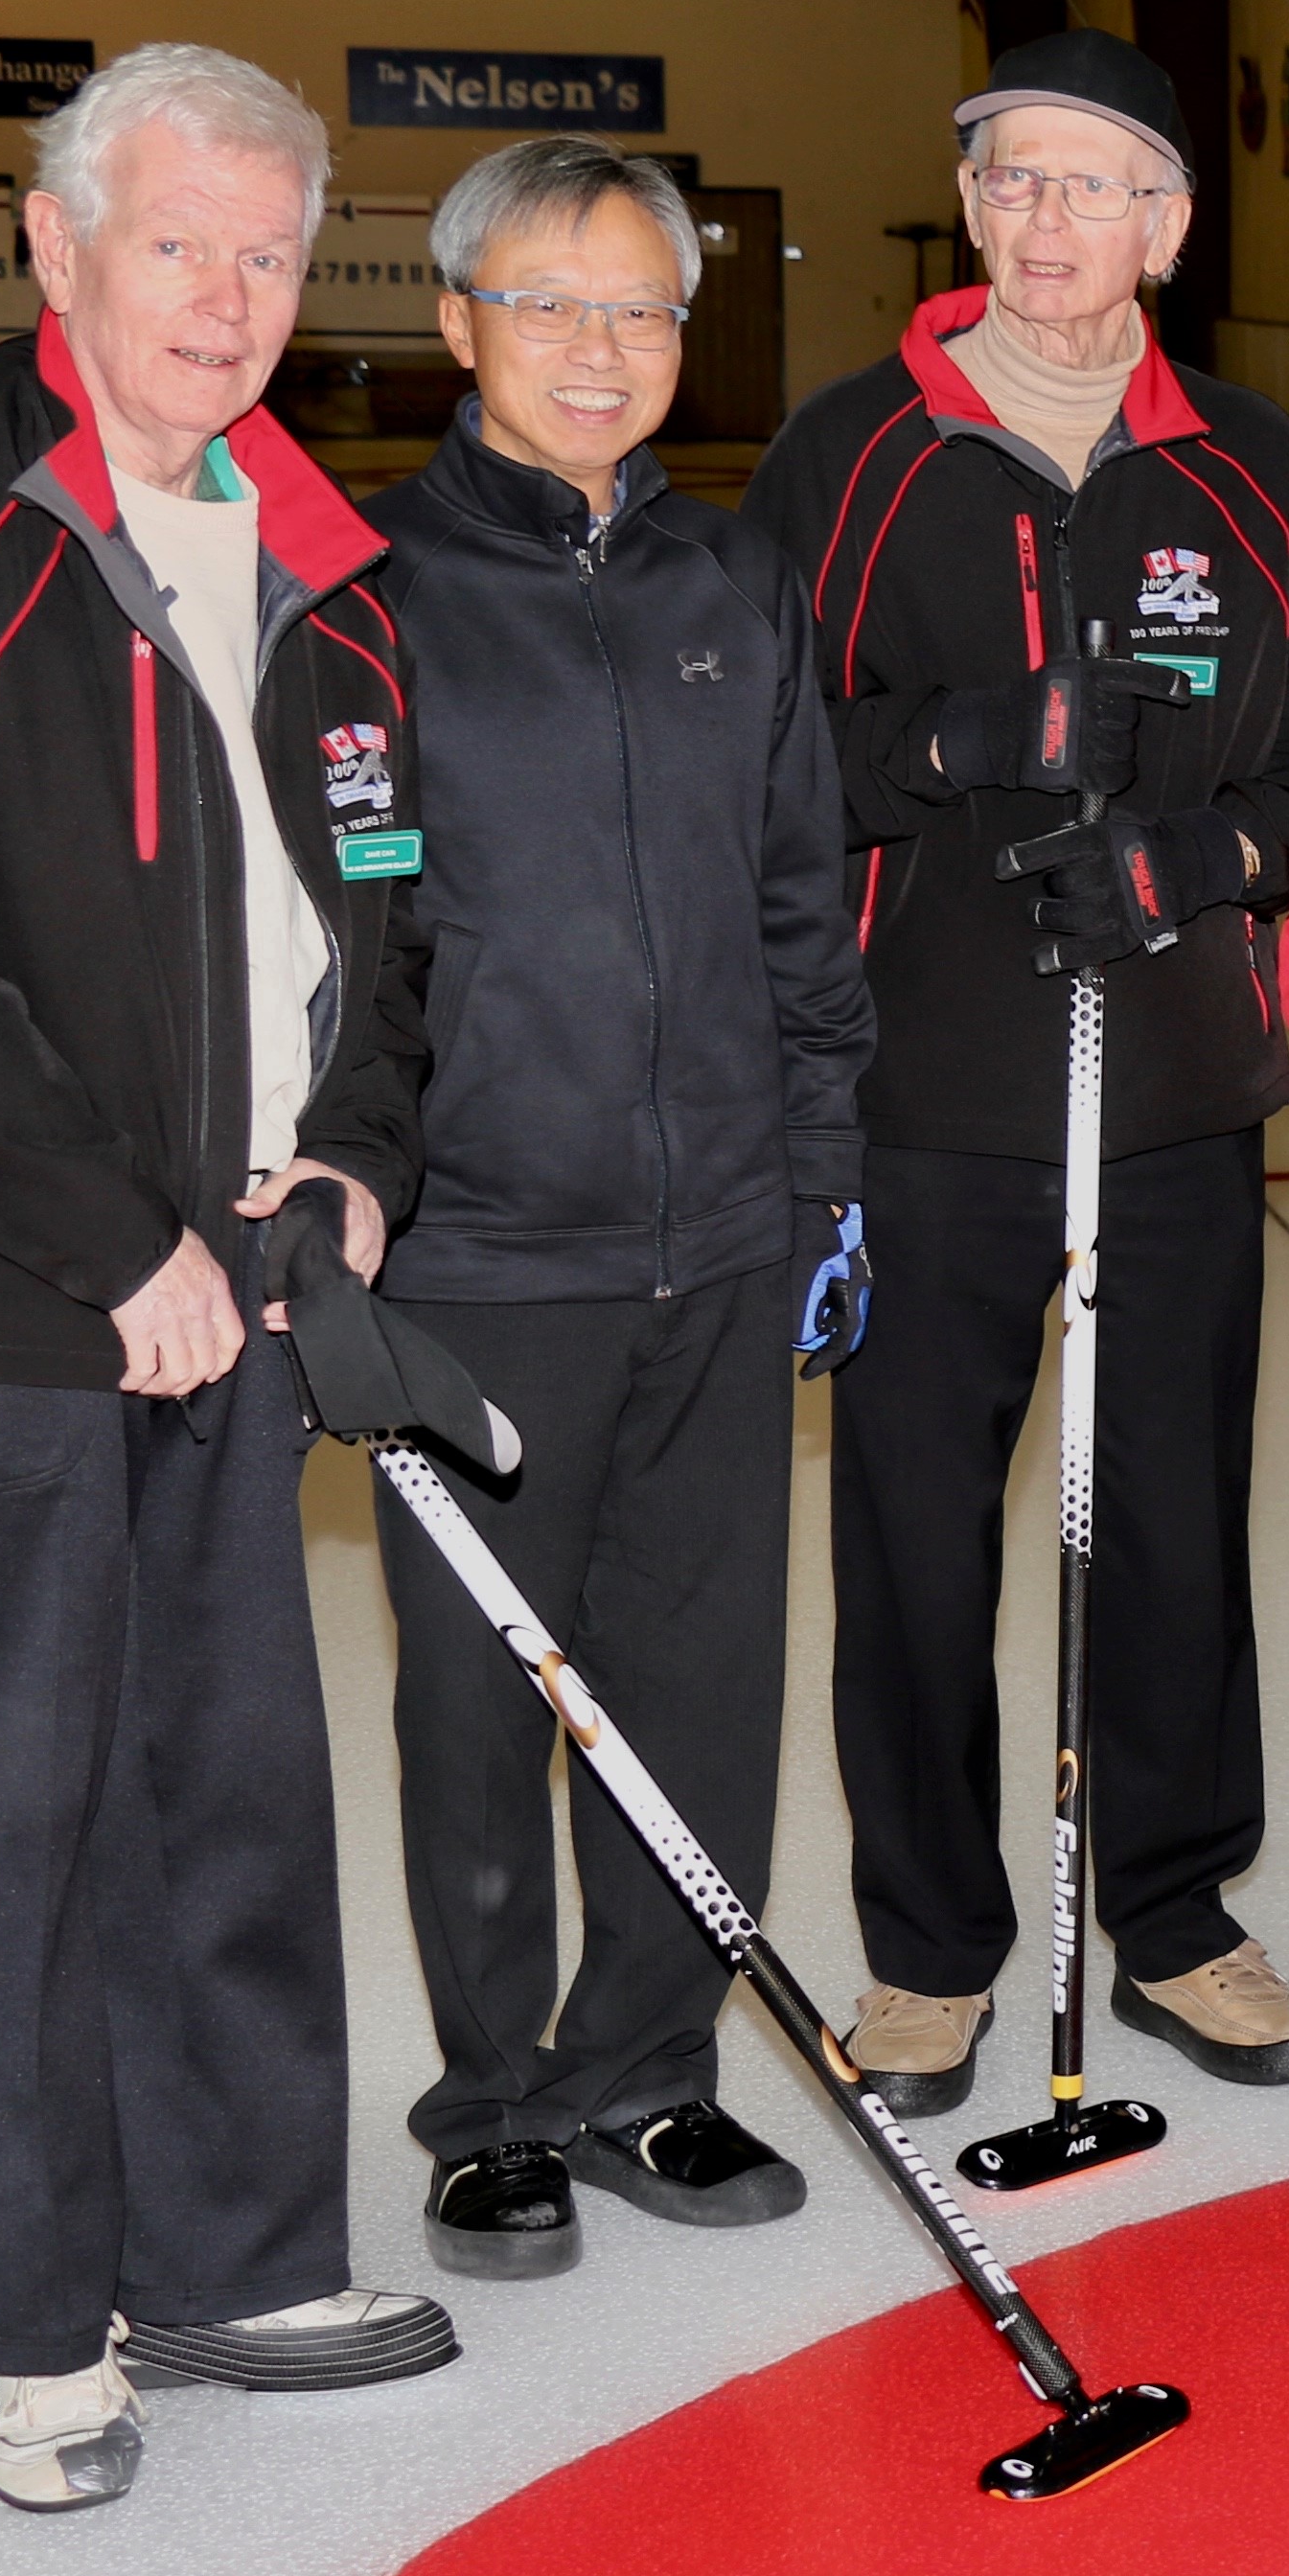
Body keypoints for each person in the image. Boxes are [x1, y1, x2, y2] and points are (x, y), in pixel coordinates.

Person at [0, 42, 456, 2511]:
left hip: (241, 1268)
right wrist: (110, 1236)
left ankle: (236, 2252)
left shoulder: (320, 552)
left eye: (271, 255)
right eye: (177, 244)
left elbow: (387, 901)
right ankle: (39, 2326)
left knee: (221, 1781)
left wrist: (353, 1159)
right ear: (55, 248)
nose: (227, 300)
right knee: (8, 1815)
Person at [747, 31, 1289, 2112]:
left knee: (1175, 1530)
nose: (1047, 221)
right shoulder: (850, 457)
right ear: (970, 203)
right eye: (1013, 178)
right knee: (917, 1546)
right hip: (924, 1101)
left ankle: (1182, 1920)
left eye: (1094, 184)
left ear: (1167, 227)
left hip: (1172, 1092)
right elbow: (757, 754)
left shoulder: (1252, 468)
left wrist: (1204, 859)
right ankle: (929, 1951)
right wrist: (951, 742)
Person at [363, 137, 874, 2273]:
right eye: (549, 303)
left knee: (698, 1686)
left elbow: (799, 900)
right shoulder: (368, 589)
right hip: (479, 1256)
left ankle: (649, 2067)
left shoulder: (734, 581)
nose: (599, 348)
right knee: (482, 1700)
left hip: (724, 1238)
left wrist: (823, 1177)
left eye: (641, 308)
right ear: (457, 320)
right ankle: (492, 2106)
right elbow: (346, 943)